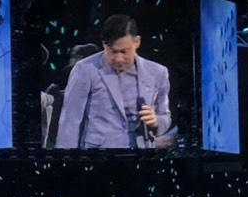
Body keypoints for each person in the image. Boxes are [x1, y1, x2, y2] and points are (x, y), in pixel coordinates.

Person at [55, 14, 171, 150]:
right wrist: (66, 158)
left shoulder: (158, 72)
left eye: (124, 51)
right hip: (98, 155)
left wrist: (156, 122)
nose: (119, 58)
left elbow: (165, 117)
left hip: (141, 153)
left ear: (137, 42)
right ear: (104, 45)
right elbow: (70, 120)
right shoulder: (85, 69)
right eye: (113, 51)